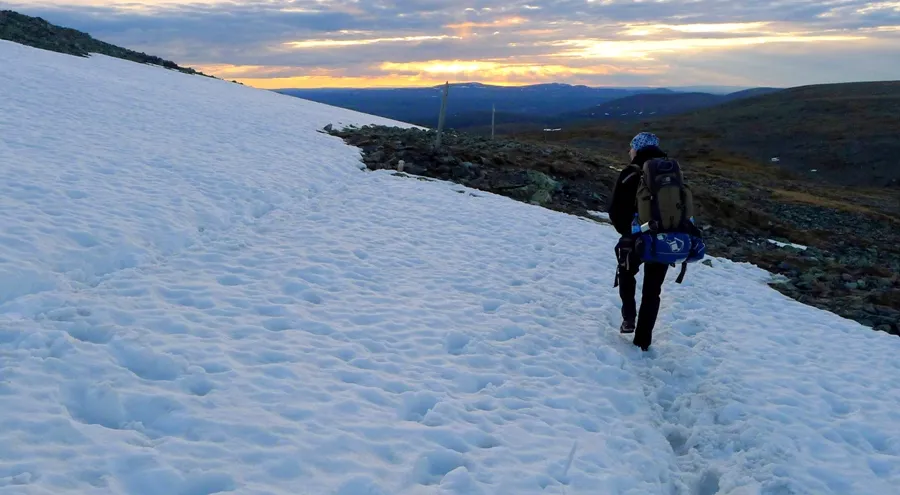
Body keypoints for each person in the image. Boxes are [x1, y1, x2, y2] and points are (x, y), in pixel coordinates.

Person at [607, 132, 670, 352]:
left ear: (638, 148)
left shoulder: (632, 172)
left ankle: (629, 316)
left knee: (626, 272)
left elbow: (616, 210)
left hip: (636, 238)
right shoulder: (671, 170)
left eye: (631, 147)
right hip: (665, 239)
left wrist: (627, 231)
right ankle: (643, 341)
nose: (629, 151)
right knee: (653, 291)